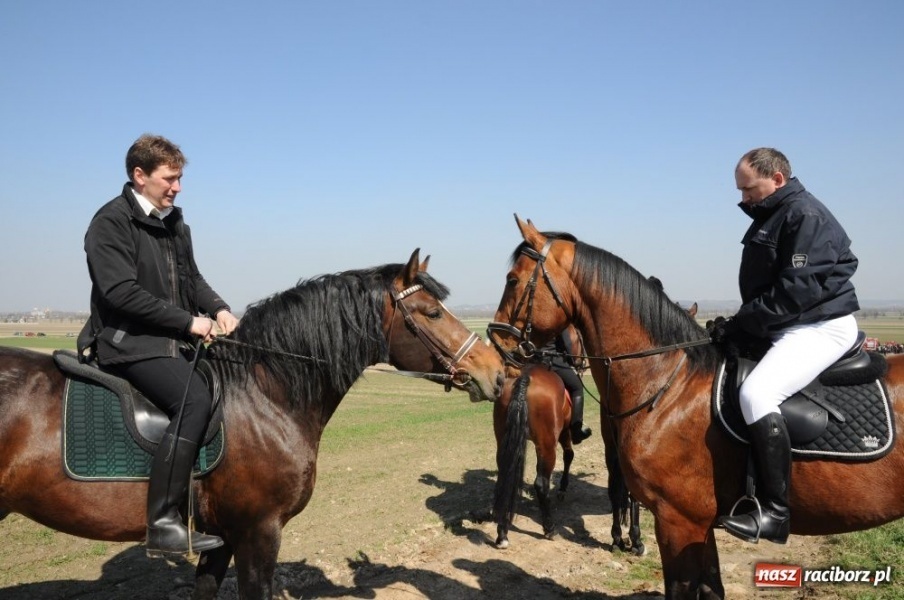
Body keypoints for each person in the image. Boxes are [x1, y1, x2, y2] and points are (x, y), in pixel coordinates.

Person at [81, 134, 240, 557]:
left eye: (179, 178)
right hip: (129, 342)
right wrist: (189, 322)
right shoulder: (110, 222)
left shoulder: (175, 223)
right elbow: (120, 293)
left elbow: (192, 279)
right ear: (140, 175)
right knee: (193, 401)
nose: (177, 187)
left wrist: (220, 309)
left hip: (170, 340)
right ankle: (164, 522)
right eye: (170, 178)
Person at [710, 147, 860, 544]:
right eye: (740, 191)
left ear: (777, 179)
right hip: (788, 324)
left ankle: (775, 514)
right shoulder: (776, 213)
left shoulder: (805, 215)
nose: (743, 198)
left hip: (819, 327)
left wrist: (744, 322)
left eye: (748, 189)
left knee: (757, 394)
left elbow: (796, 291)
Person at [537, 326, 592, 444]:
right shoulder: (559, 320)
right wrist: (572, 362)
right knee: (578, 387)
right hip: (553, 361)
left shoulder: (535, 319)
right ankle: (576, 432)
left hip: (534, 361)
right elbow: (567, 343)